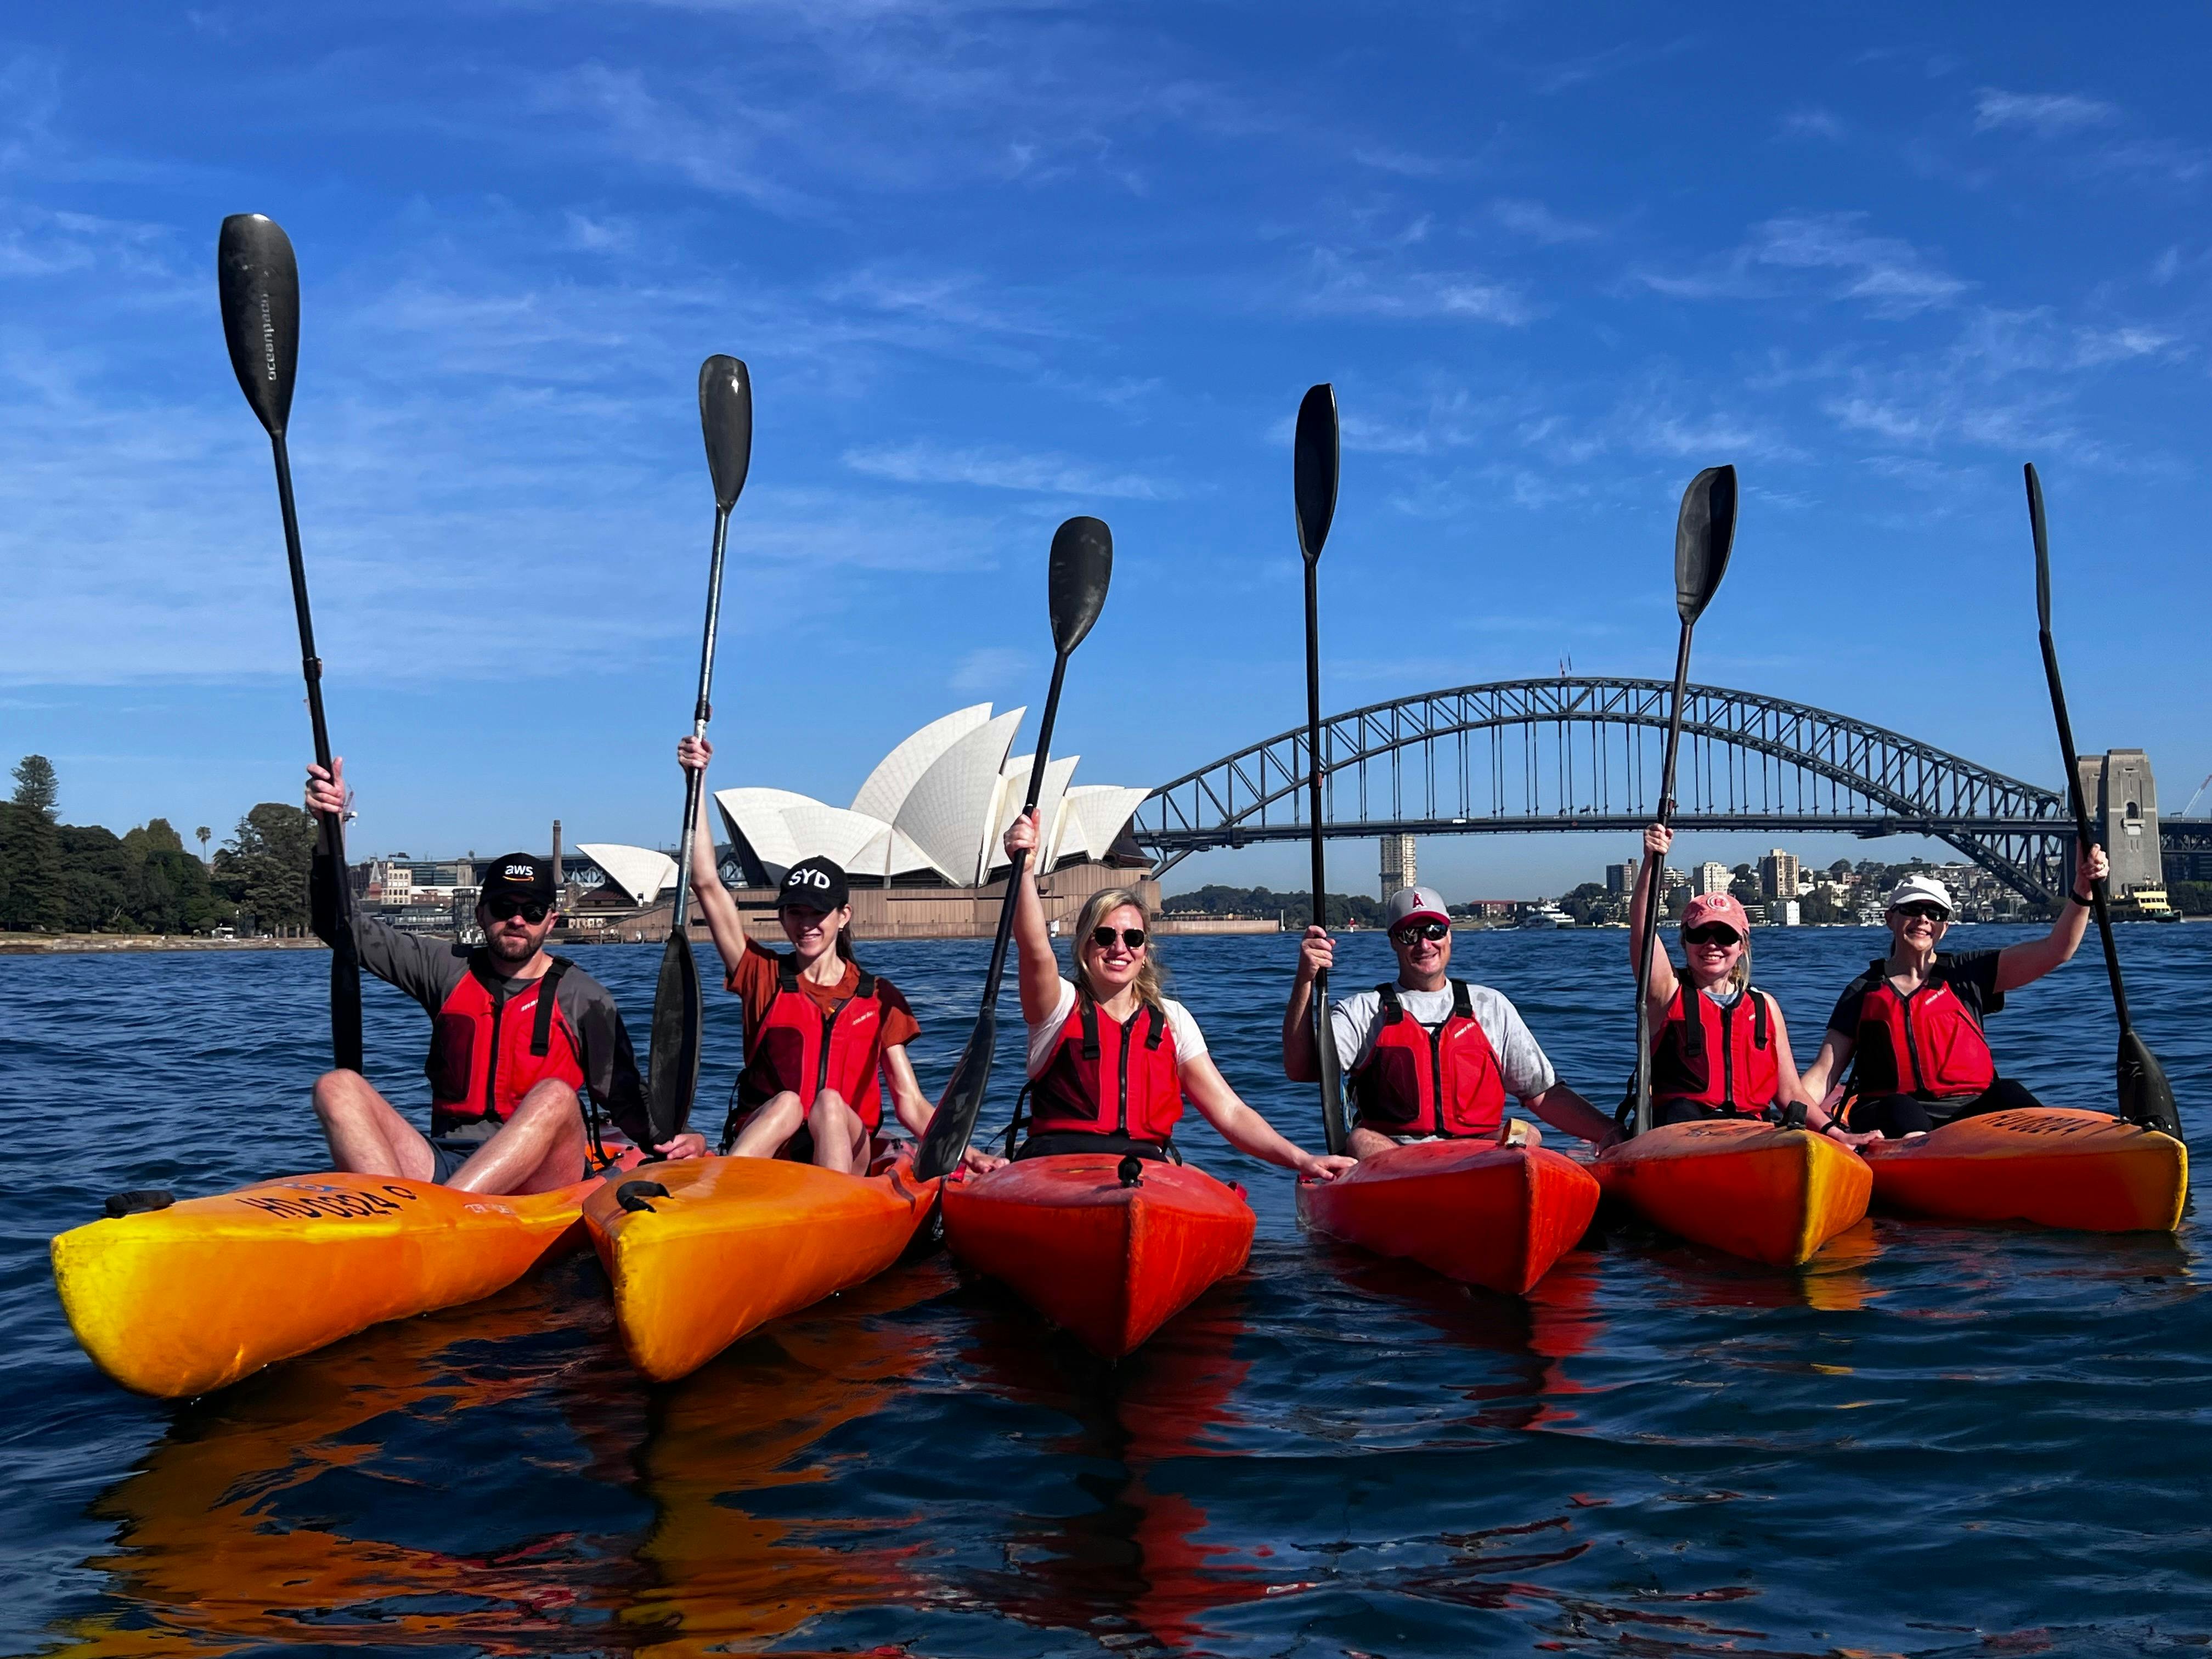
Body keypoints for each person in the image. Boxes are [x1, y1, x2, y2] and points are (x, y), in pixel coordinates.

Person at [303, 758, 698, 1195]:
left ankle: (445, 1218)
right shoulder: (445, 969)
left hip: (544, 1177)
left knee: (555, 1096)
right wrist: (329, 827)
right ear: (481, 914)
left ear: (551, 921)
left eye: (531, 912)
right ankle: (398, 1217)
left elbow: (626, 1100)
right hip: (449, 1158)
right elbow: (342, 929)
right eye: (503, 909)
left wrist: (676, 1141)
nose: (516, 921)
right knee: (337, 1086)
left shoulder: (585, 997)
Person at [678, 737, 984, 1174]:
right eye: (795, 913)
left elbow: (911, 1105)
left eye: (818, 914)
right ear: (782, 917)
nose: (807, 925)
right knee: (786, 1103)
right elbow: (707, 882)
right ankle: (726, 1195)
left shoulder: (878, 997)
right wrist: (696, 780)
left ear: (843, 916)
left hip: (847, 1148)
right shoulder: (760, 974)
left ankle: (829, 1207)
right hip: (774, 1153)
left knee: (829, 1104)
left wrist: (967, 1154)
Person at [1001, 808, 1352, 1178]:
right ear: (1085, 945)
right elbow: (1035, 947)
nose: (1120, 948)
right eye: (1105, 937)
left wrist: (1301, 1159)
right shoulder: (1056, 1007)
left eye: (1133, 938)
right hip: (1059, 1165)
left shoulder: (1172, 1020)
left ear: (1145, 948)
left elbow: (1230, 1112)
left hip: (1145, 1169)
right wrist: (1024, 873)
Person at [1795, 845, 2111, 1138]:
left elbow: (2056, 950)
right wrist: (1794, 1113)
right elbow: (1824, 1074)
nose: (1923, 920)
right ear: (1891, 918)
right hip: (1890, 1115)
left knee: (2009, 1092)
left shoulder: (1968, 974)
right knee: (1901, 1108)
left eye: (1935, 914)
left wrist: (2082, 892)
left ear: (1944, 927)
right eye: (1913, 909)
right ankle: (1931, 1167)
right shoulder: (1862, 992)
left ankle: (2058, 1152)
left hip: (1968, 1111)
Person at [1282, 884, 1617, 1156]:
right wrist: (1305, 979)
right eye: (1410, 934)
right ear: (1394, 943)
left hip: (1477, 1151)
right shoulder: (1362, 1012)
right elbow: (1302, 1069)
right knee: (1361, 1141)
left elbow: (1543, 1095)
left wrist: (1613, 1134)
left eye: (1434, 930)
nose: (1425, 944)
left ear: (1449, 935)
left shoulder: (1491, 1005)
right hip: (1396, 1157)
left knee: (1526, 1131)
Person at [1626, 825, 1855, 1141]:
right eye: (1699, 934)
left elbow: (1789, 1092)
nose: (1711, 944)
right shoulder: (1667, 993)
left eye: (1725, 936)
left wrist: (1836, 1134)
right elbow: (1643, 931)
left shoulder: (1765, 1007)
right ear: (1684, 942)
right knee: (1681, 1110)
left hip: (1750, 1132)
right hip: (1683, 1135)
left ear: (1742, 946)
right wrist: (1651, 861)